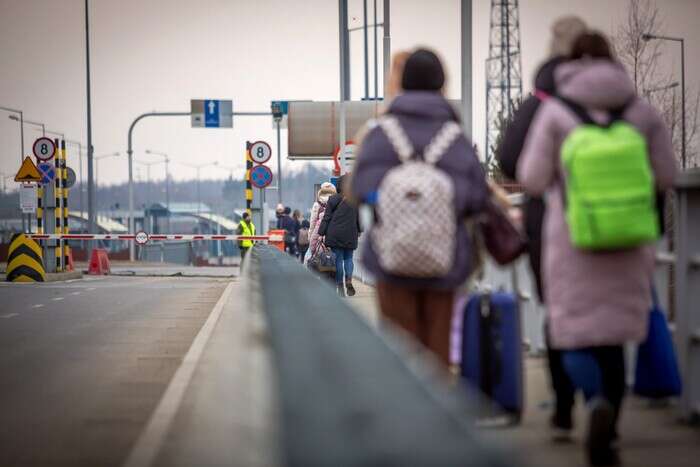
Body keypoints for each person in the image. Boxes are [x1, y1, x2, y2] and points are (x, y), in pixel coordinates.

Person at [517, 32, 676, 466]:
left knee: (572, 334)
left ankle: (592, 405)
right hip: (630, 238)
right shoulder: (640, 111)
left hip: (573, 240)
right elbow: (666, 173)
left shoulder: (555, 112)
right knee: (616, 336)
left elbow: (530, 178)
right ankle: (610, 420)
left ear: (569, 65)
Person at [350, 48, 489, 366]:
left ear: (402, 84)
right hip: (446, 262)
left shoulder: (381, 134)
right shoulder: (455, 138)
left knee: (399, 355)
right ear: (442, 84)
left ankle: (404, 413)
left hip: (391, 260)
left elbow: (361, 188)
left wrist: (398, 201)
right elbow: (477, 197)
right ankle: (439, 412)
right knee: (437, 355)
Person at [497, 15, 586, 440]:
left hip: (551, 221)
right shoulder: (620, 97)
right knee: (613, 310)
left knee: (557, 310)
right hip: (620, 222)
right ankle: (608, 399)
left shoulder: (542, 101)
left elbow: (510, 158)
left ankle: (565, 406)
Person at [318, 175, 361, 297]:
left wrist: (321, 233)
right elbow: (359, 218)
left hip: (335, 233)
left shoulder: (332, 199)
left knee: (338, 260)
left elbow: (327, 218)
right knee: (349, 259)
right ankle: (349, 280)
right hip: (350, 233)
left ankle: (340, 286)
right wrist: (359, 230)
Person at [308, 182, 337, 257]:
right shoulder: (337, 203)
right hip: (333, 232)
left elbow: (313, 222)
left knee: (316, 251)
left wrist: (310, 235)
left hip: (319, 231)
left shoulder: (317, 205)